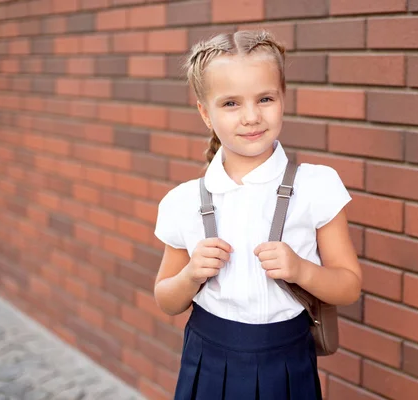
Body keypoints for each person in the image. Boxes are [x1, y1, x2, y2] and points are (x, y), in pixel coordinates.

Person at [153, 30, 362, 400]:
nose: (251, 116)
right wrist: (190, 275)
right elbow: (167, 299)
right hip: (208, 361)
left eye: (265, 98)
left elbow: (348, 286)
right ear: (205, 112)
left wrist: (301, 270)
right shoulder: (182, 201)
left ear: (283, 99)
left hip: (287, 362)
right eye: (231, 103)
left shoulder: (318, 186)